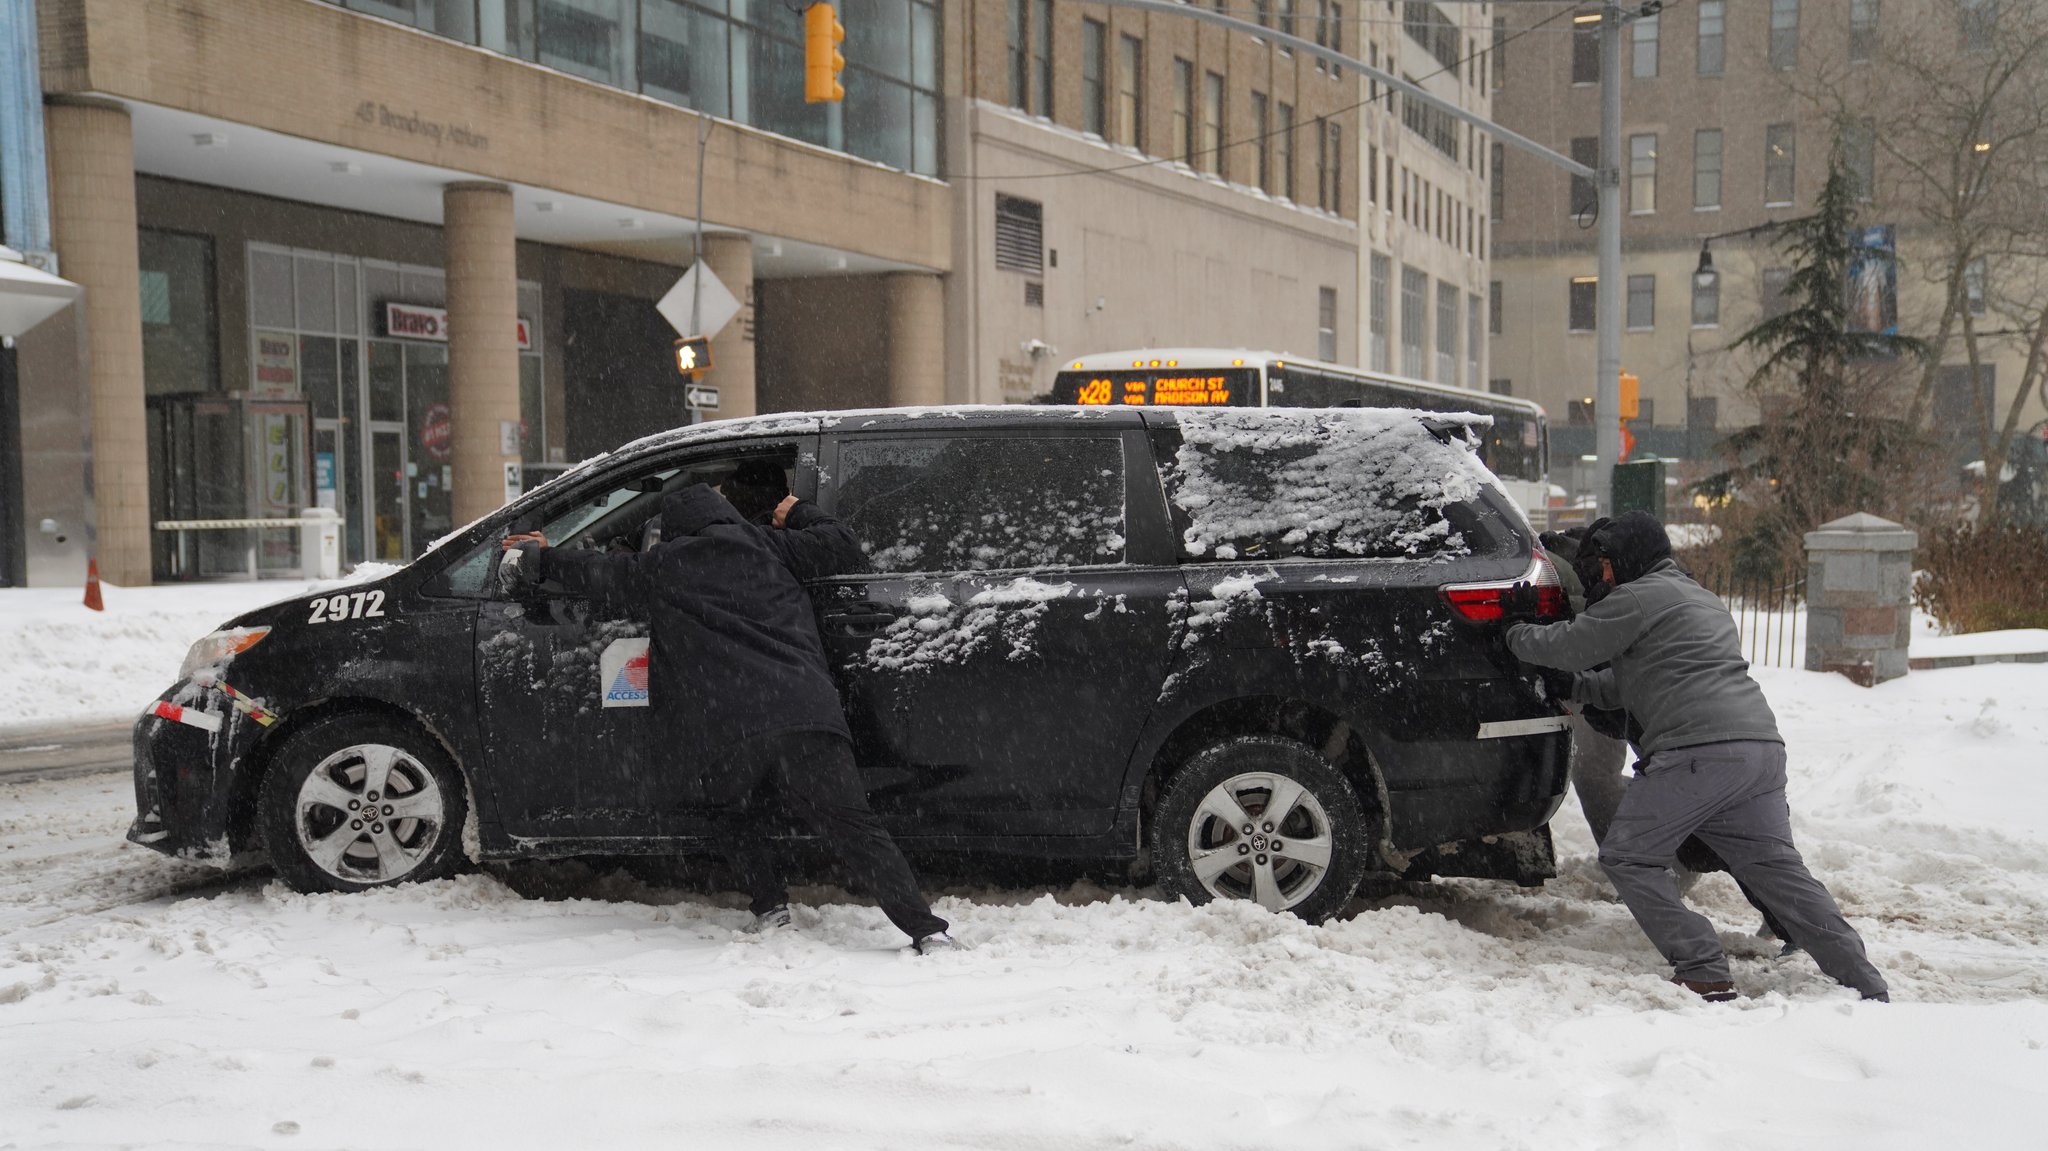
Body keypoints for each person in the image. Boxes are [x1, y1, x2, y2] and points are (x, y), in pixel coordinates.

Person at [501, 478, 960, 954]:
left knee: (734, 814)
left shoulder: (663, 564)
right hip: (804, 713)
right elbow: (842, 543)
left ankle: (770, 906)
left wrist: (542, 555)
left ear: (675, 531)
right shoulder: (771, 545)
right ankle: (926, 930)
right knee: (855, 827)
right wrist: (798, 510)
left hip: (728, 726)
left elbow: (594, 572)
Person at [1504, 512, 1887, 1002]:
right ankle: (1863, 980)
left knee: (1627, 856)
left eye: (1604, 565)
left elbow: (1568, 645)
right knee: (1777, 871)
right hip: (1760, 750)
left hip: (1697, 753)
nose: (1602, 577)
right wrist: (1578, 687)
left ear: (1627, 557)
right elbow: (1637, 681)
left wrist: (1515, 628)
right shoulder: (1701, 598)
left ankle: (1701, 965)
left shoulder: (1635, 598)